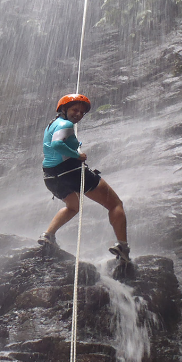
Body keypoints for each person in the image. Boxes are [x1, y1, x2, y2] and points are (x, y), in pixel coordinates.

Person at [39, 93, 130, 262]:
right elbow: (57, 144)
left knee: (73, 206)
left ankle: (48, 235)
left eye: (82, 112)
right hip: (70, 171)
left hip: (51, 176)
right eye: (75, 110)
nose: (79, 115)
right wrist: (76, 155)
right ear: (64, 109)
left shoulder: (52, 124)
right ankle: (123, 246)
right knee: (115, 204)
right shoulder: (66, 124)